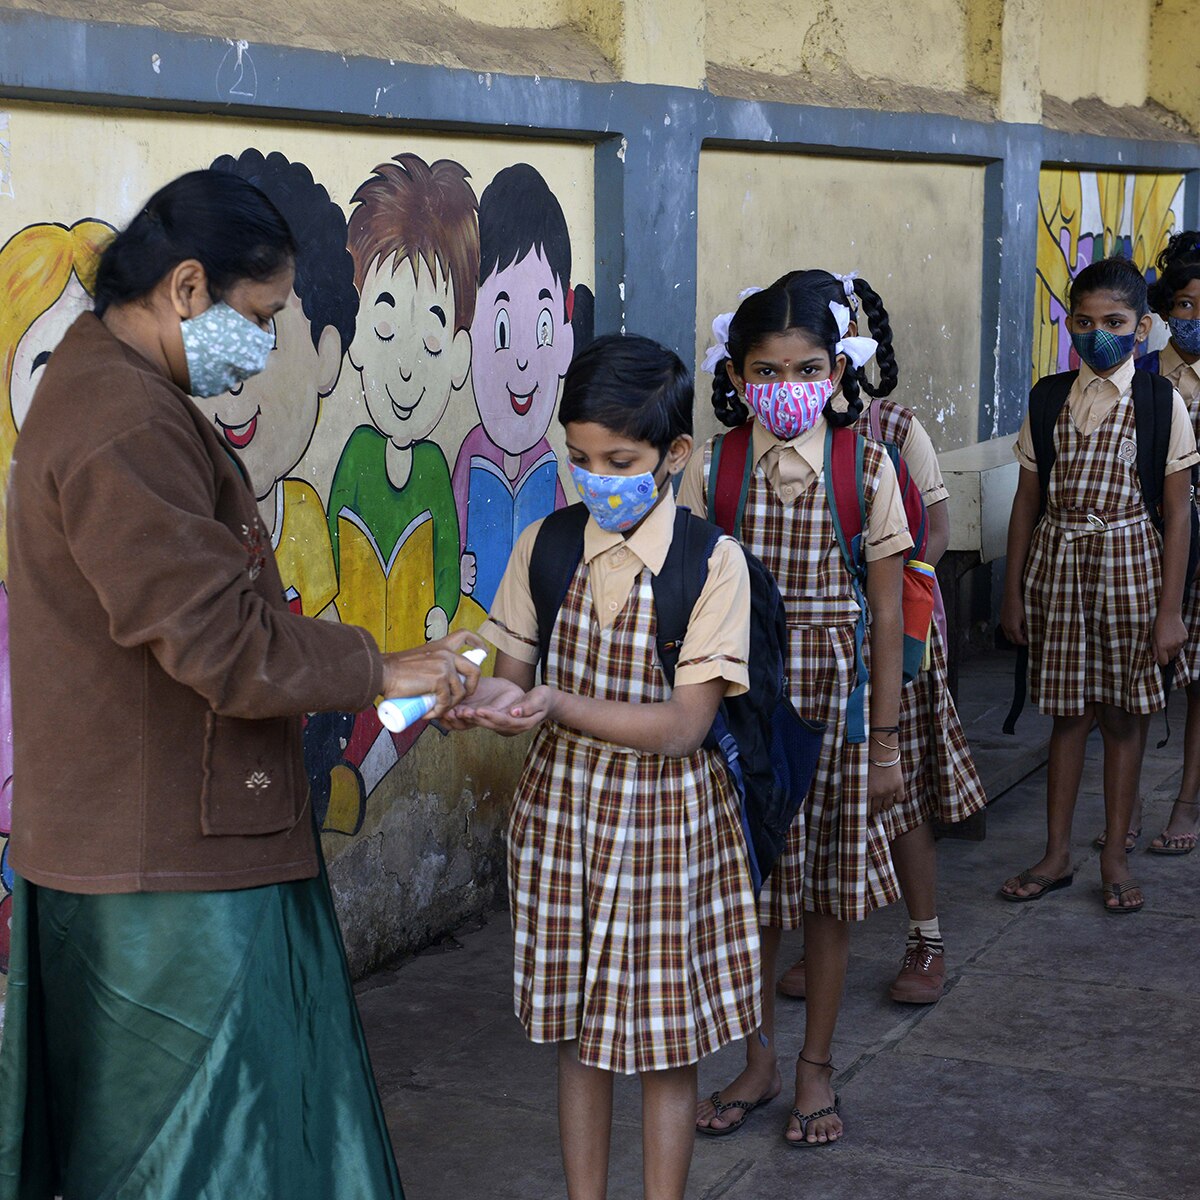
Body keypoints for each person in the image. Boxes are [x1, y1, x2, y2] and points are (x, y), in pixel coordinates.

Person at [0, 169, 483, 1199]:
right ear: (185, 289)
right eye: (257, 317)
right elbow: (219, 641)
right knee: (197, 1151)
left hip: (166, 835)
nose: (263, 346)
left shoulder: (120, 392)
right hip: (161, 865)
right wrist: (375, 665)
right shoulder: (122, 423)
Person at [447, 334, 761, 1200]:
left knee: (664, 1047)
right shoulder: (547, 547)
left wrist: (553, 706)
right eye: (580, 459)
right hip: (562, 825)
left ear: (675, 456)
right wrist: (468, 695)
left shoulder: (711, 564)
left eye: (620, 461)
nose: (597, 478)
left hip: (668, 827)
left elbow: (683, 728)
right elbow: (511, 681)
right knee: (579, 1037)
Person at [681, 275, 910, 1146]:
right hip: (748, 709)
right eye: (766, 371)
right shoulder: (715, 466)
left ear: (838, 365)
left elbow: (886, 615)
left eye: (806, 367)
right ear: (736, 375)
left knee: (825, 900)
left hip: (841, 718)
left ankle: (816, 1067)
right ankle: (758, 1057)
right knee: (754, 891)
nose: (787, 387)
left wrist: (886, 743)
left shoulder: (867, 468)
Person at [769, 269, 986, 1007]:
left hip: (895, 645)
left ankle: (925, 938)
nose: (791, 380)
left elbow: (940, 526)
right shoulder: (755, 446)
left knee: (897, 801)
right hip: (805, 657)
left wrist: (891, 608)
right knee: (809, 805)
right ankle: (821, 939)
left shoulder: (892, 429)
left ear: (844, 349)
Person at [999, 256, 1197, 913]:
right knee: (1067, 714)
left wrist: (1171, 612)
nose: (1097, 334)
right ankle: (1057, 853)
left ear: (1143, 328)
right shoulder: (1049, 396)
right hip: (1058, 563)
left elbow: (1175, 513)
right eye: (1083, 322)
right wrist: (1013, 590)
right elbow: (1027, 500)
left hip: (1133, 566)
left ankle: (1113, 852)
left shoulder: (1158, 401)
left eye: (1113, 322)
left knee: (1122, 714)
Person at [1141, 233, 1200, 855]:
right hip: (1157, 542)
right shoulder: (1150, 377)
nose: (1195, 318)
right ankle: (1127, 804)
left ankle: (1186, 801)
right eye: (1185, 305)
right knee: (1144, 677)